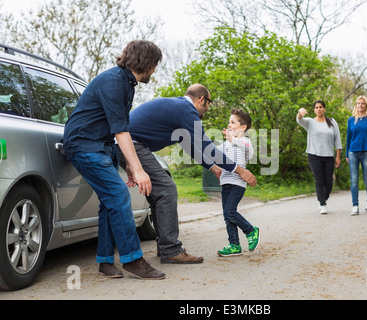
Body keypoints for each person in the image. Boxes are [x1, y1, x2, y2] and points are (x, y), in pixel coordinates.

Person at [63, 40, 166, 280]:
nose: (154, 70)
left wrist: (130, 165)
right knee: (119, 195)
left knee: (109, 202)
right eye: (155, 65)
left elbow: (119, 128)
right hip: (84, 145)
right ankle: (133, 259)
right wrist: (139, 170)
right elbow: (121, 131)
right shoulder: (113, 82)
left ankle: (105, 262)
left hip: (102, 146)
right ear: (147, 62)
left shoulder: (127, 83)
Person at [121, 84, 257, 264]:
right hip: (131, 143)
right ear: (201, 99)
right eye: (208, 104)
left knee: (160, 190)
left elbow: (192, 148)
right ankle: (170, 250)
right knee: (167, 190)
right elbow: (208, 148)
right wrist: (240, 170)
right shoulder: (186, 110)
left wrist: (214, 168)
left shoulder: (179, 111)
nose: (207, 109)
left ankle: (165, 248)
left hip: (131, 142)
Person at [216, 109, 260, 256]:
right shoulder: (226, 144)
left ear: (243, 127)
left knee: (230, 212)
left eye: (232, 122)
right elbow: (212, 153)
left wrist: (232, 139)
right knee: (227, 215)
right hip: (225, 182)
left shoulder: (244, 141)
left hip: (238, 183)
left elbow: (250, 151)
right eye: (229, 122)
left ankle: (251, 230)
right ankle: (234, 244)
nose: (229, 125)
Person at [297, 100, 342, 214]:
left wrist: (338, 157)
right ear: (314, 110)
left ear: (324, 109)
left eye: (321, 107)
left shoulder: (332, 122)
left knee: (329, 182)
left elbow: (337, 139)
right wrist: (300, 112)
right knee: (319, 180)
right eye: (316, 107)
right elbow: (299, 120)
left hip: (328, 156)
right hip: (314, 155)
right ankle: (322, 203)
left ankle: (324, 199)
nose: (318, 109)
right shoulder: (310, 122)